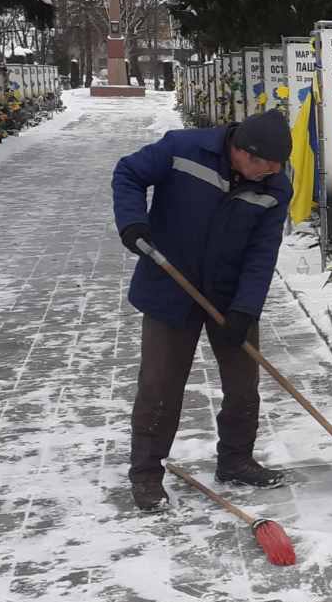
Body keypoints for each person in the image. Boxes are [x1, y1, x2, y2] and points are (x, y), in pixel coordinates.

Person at [112, 110, 293, 511]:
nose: (269, 175)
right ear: (241, 150)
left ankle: (236, 460)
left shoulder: (276, 186)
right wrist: (132, 224)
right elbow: (128, 173)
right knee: (160, 384)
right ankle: (146, 474)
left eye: (277, 168)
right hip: (169, 286)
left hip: (229, 295)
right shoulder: (182, 148)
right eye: (264, 165)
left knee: (244, 384)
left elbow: (262, 254)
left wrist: (245, 310)